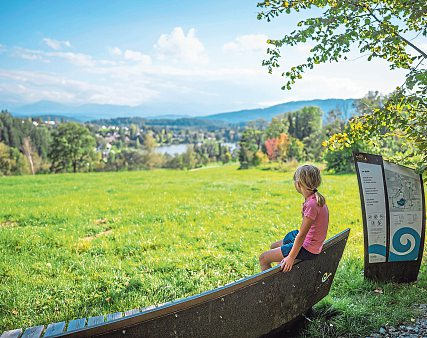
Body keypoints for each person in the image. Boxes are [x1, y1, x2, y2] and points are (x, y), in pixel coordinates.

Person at [259, 164, 329, 272]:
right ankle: (281, 273)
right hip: (311, 243)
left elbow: (302, 235)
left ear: (299, 184)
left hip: (308, 248)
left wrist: (291, 257)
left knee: (263, 258)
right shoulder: (316, 199)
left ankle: (272, 287)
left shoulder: (312, 204)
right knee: (274, 246)